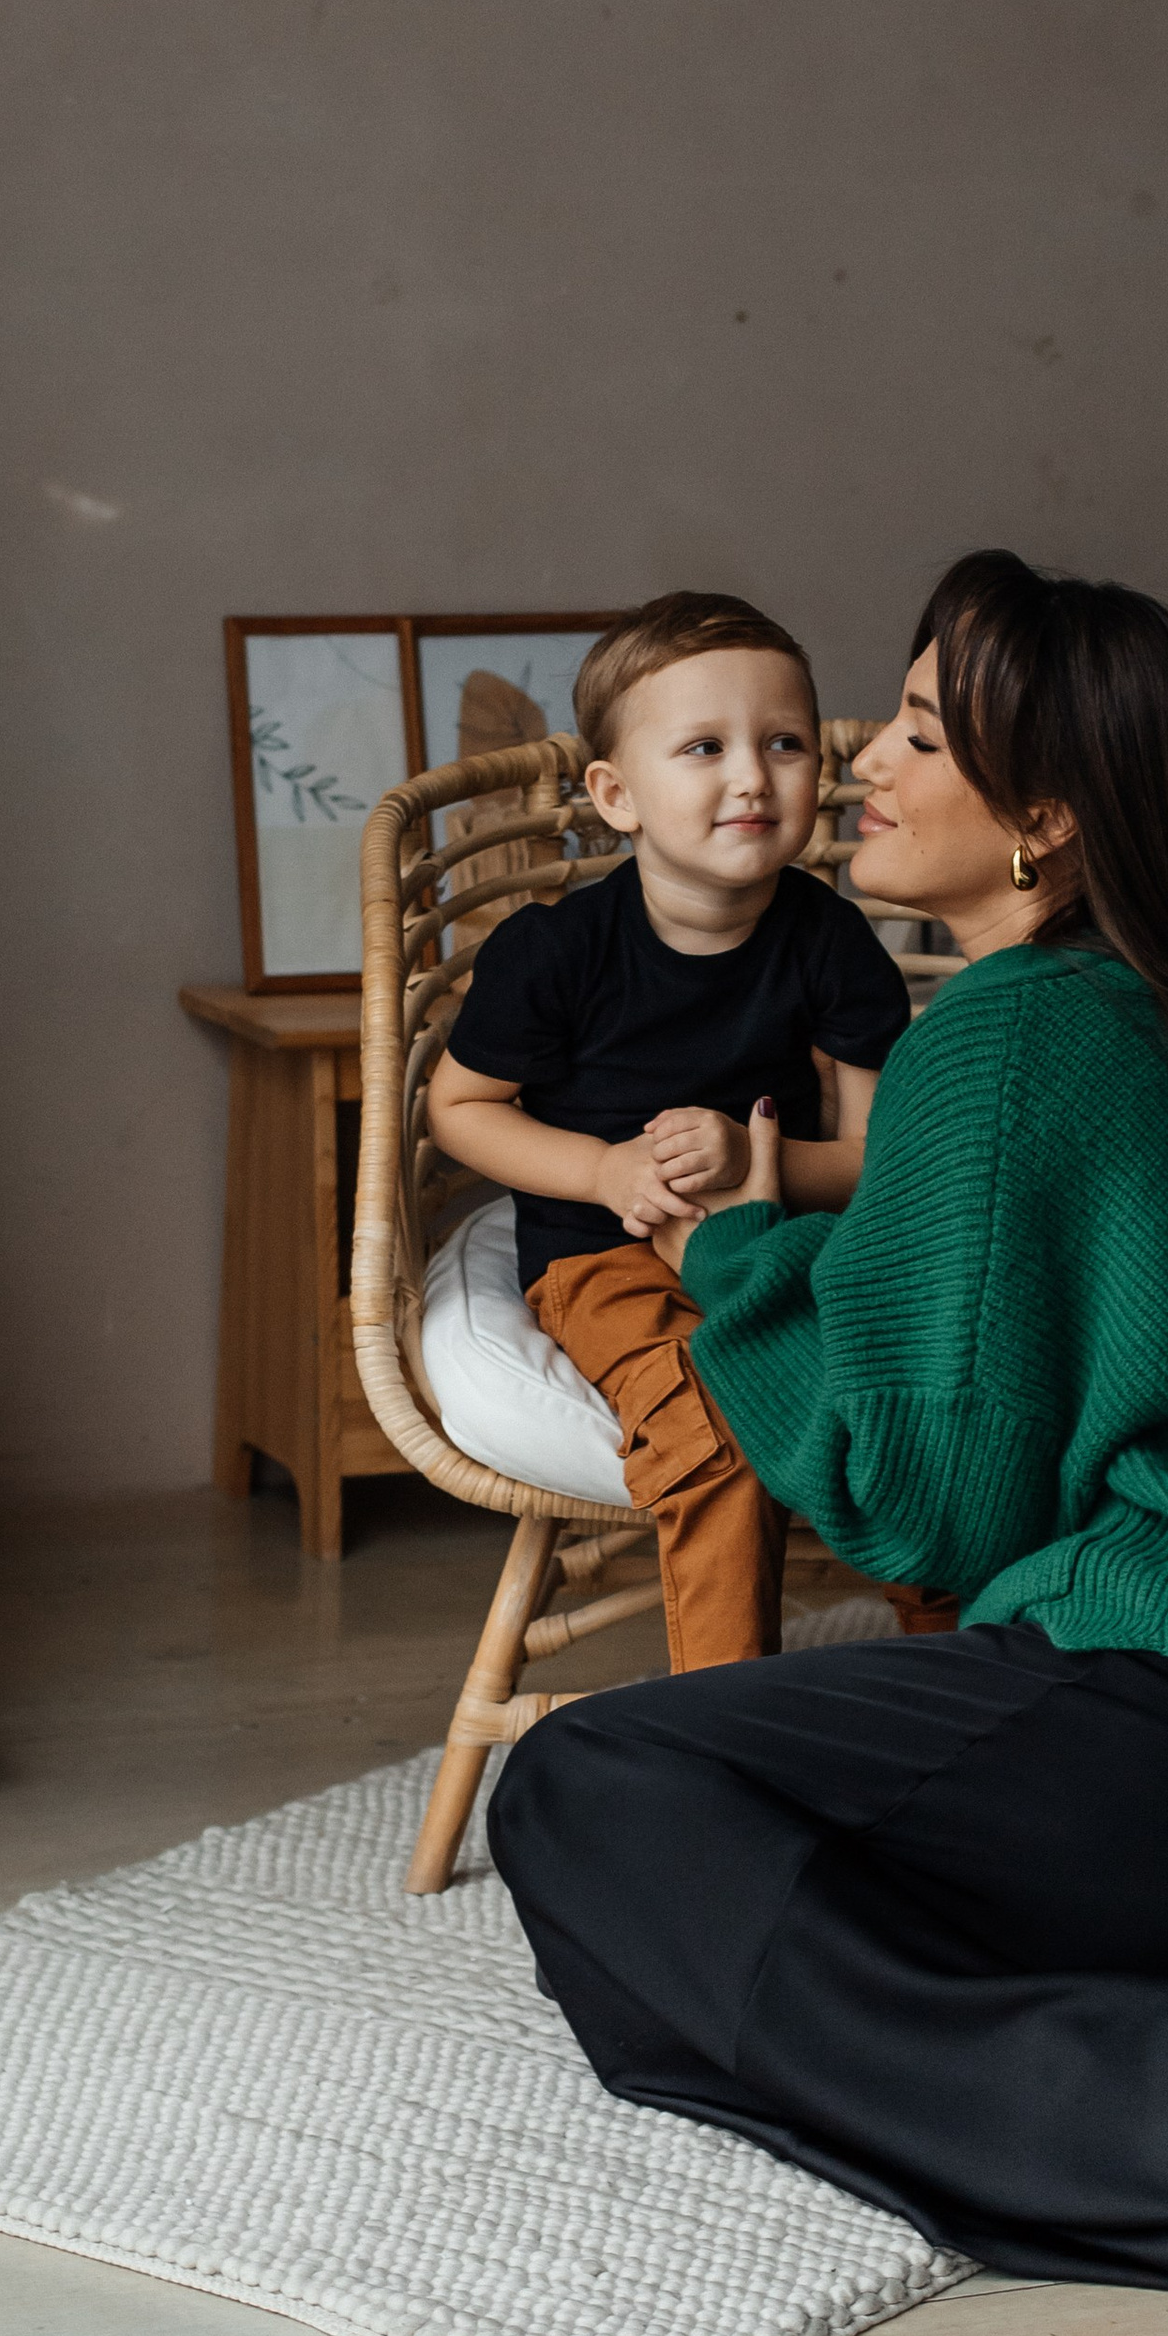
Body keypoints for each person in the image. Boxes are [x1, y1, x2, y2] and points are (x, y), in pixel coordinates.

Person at [488, 549, 1168, 2316]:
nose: (864, 758)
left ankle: (1151, 2115)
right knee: (750, 1843)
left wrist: (720, 1254)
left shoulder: (1009, 1034)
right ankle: (1117, 2035)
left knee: (583, 1785)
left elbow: (916, 1500)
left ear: (1043, 822)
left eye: (925, 735)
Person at [430, 592, 912, 1670]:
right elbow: (458, 1108)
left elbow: (880, 1163)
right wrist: (603, 1169)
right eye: (704, 747)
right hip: (603, 1257)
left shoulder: (829, 941)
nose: (752, 776)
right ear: (617, 795)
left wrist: (757, 1161)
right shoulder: (554, 953)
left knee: (901, 1400)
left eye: (783, 743)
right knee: (714, 1438)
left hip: (785, 1247)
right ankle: (728, 1731)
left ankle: (972, 1672)